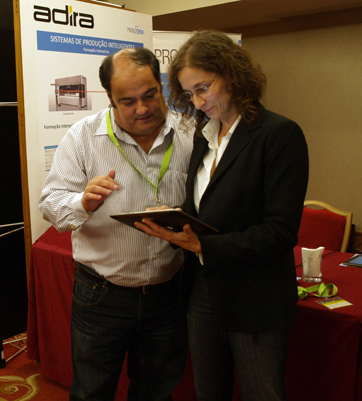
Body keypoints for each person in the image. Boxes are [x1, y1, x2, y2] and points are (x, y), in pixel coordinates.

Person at [135, 30, 309, 400]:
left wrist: (204, 246)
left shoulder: (278, 134)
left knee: (262, 394)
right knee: (209, 392)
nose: (198, 103)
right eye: (189, 94)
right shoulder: (205, 136)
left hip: (255, 298)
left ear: (232, 75)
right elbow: (204, 208)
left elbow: (280, 232)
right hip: (203, 290)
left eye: (203, 88)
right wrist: (173, 217)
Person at [38, 47, 193, 401]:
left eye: (150, 95)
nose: (142, 108)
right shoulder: (82, 137)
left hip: (169, 291)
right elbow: (50, 205)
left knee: (157, 392)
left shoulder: (190, 132)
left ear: (161, 85)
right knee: (92, 391)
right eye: (128, 101)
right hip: (102, 294)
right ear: (110, 98)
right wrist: (82, 202)